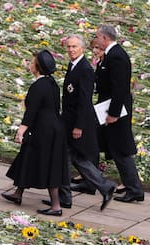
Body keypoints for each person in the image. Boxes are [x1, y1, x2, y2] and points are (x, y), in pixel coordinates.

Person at [1, 49, 70, 216]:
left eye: (32, 63)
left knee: (47, 165)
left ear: (37, 67)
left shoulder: (38, 86)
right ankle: (18, 193)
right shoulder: (50, 83)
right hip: (52, 127)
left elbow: (32, 111)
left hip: (44, 130)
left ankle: (56, 206)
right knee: (27, 157)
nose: (30, 65)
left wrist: (22, 130)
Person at [58, 34, 116, 211]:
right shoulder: (74, 65)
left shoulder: (84, 70)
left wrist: (79, 126)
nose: (71, 50)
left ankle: (65, 197)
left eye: (74, 47)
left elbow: (84, 100)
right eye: (69, 47)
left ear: (82, 48)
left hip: (76, 122)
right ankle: (103, 187)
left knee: (68, 157)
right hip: (69, 120)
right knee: (74, 157)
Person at [95, 24, 144, 203]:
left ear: (104, 38)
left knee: (121, 150)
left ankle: (135, 189)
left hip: (117, 110)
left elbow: (120, 88)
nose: (96, 40)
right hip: (111, 107)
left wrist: (114, 113)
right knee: (114, 148)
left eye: (97, 37)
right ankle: (131, 187)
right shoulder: (111, 55)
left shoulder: (116, 57)